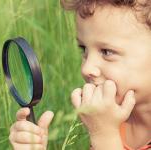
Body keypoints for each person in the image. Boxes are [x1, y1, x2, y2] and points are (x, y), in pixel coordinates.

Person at [9, 0, 151, 149]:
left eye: (107, 52)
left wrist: (104, 134)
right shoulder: (110, 114)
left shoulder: (105, 124)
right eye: (84, 49)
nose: (86, 68)